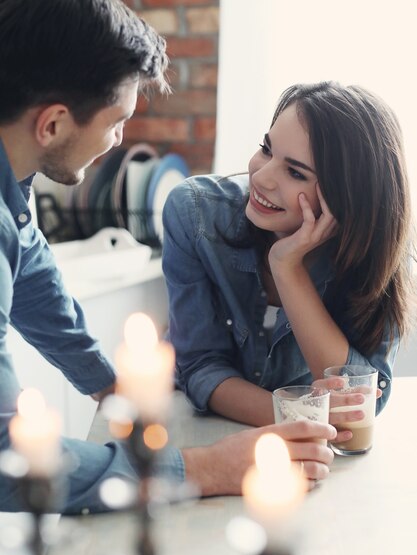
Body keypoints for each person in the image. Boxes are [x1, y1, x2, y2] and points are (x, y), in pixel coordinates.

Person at [0, 0, 335, 514]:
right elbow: (6, 457)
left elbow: (28, 270)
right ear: (52, 125)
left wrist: (104, 382)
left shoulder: (12, 186)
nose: (119, 142)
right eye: (117, 122)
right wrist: (204, 467)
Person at [162, 81, 415, 440]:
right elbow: (201, 368)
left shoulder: (379, 254)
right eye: (266, 150)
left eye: (295, 172)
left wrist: (287, 268)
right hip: (202, 434)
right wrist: (301, 418)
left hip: (316, 456)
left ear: (347, 197)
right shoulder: (196, 215)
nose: (261, 178)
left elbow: (363, 405)